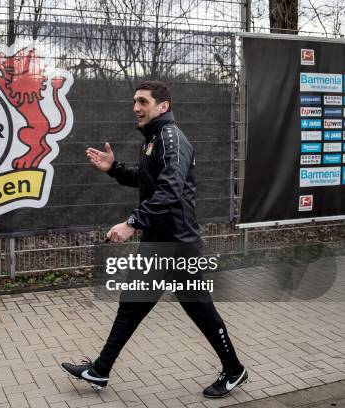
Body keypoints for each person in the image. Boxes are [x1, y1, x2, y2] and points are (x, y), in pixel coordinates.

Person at [61, 81, 247, 398]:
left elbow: (170, 191)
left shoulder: (171, 139)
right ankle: (100, 370)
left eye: (143, 101)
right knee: (132, 306)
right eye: (135, 101)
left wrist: (133, 222)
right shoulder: (154, 139)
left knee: (199, 311)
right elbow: (148, 179)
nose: (136, 107)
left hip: (177, 243)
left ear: (163, 106)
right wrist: (113, 169)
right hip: (160, 241)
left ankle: (234, 370)